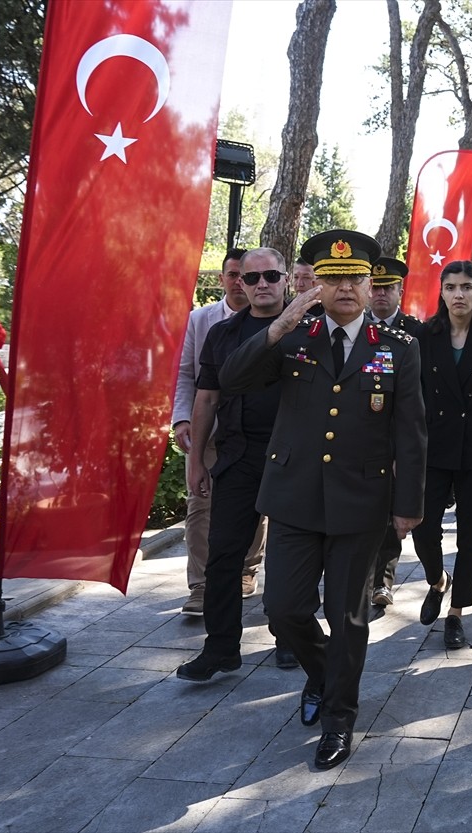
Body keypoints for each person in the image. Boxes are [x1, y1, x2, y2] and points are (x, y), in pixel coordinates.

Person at [220, 229, 426, 770]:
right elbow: (231, 377)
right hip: (293, 498)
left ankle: (339, 717)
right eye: (333, 279)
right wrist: (280, 325)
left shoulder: (398, 349)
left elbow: (411, 433)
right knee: (283, 609)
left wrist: (409, 504)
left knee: (347, 615)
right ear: (314, 285)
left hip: (361, 501)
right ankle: (324, 674)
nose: (345, 288)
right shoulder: (295, 336)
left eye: (354, 278)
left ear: (368, 283)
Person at [177, 248, 296, 682]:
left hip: (292, 460)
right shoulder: (223, 334)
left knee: (288, 557)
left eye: (270, 275)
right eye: (252, 278)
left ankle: (290, 638)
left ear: (286, 280)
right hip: (238, 456)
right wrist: (196, 462)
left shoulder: (310, 331)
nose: (261, 284)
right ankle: (221, 648)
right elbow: (206, 397)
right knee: (223, 556)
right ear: (239, 284)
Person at [412, 261, 472, 648]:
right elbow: (413, 395)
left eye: (466, 287)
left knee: (470, 536)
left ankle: (456, 613)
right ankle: (438, 580)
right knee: (422, 527)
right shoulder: (424, 335)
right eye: (450, 287)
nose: (458, 295)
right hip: (434, 447)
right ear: (441, 292)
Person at [171, 249, 266, 616]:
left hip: (252, 434)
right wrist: (182, 420)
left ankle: (247, 569)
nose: (245, 282)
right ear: (228, 278)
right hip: (208, 429)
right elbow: (185, 374)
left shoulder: (276, 320)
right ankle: (200, 585)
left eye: (261, 276)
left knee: (258, 509)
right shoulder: (202, 320)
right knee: (200, 503)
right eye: (235, 274)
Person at [365, 256, 423, 607]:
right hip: (361, 435)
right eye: (376, 287)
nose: (381, 294)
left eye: (388, 287)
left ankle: (382, 581)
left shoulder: (415, 332)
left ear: (400, 290)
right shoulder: (355, 326)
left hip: (393, 435)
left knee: (390, 511)